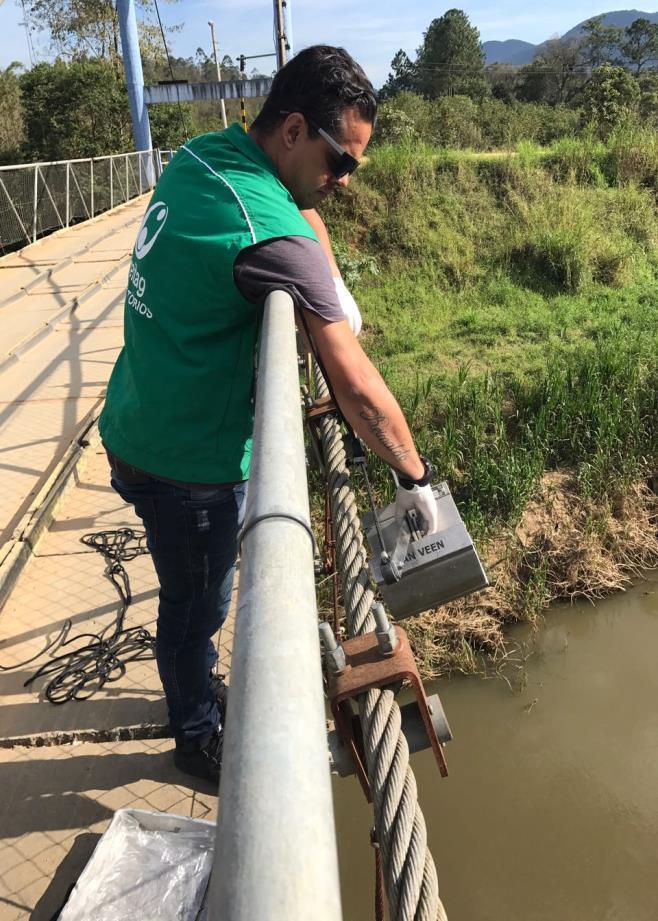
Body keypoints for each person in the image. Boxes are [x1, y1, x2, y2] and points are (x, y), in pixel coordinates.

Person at [99, 45, 438, 785]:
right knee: (196, 607)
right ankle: (194, 733)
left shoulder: (205, 156)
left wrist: (330, 280)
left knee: (191, 595)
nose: (343, 183)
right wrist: (417, 474)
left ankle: (197, 695)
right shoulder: (269, 228)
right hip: (185, 465)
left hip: (134, 416)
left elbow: (303, 213)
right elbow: (358, 390)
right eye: (338, 160)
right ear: (291, 130)